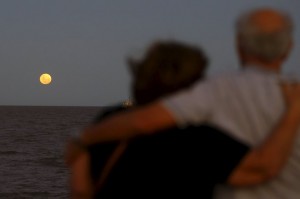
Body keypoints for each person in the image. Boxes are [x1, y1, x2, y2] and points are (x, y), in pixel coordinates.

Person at [69, 8, 300, 198]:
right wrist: (291, 112)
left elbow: (81, 188)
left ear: (239, 44)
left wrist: (81, 139)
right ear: (289, 46)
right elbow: (262, 168)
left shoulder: (109, 121)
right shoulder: (197, 139)